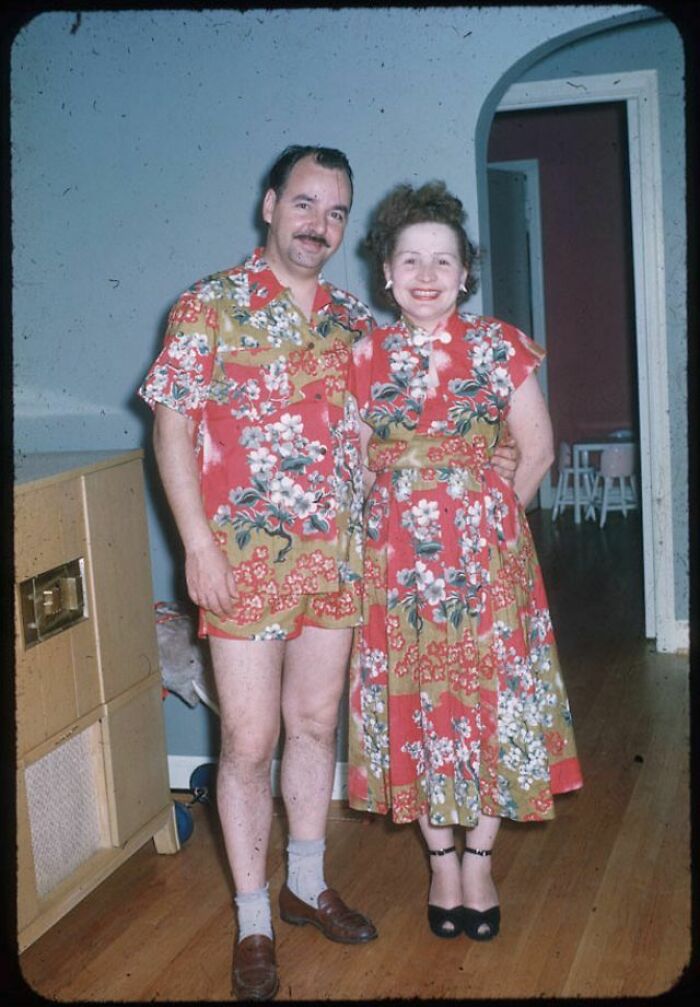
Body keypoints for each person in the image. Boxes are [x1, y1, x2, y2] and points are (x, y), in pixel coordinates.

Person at [139, 148, 517, 1000]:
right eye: (305, 203)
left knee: (314, 727)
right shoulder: (209, 305)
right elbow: (170, 426)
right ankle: (252, 918)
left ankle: (306, 884)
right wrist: (195, 543)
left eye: (336, 211)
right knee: (247, 739)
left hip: (343, 560)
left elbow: (413, 414)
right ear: (270, 204)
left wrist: (491, 445)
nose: (319, 223)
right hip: (241, 562)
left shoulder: (356, 322)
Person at [347, 181, 583, 943]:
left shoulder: (498, 345)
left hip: (486, 563)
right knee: (418, 709)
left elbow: (537, 447)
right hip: (397, 572)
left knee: (486, 706)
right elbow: (352, 469)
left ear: (465, 271)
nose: (425, 274)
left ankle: (478, 859)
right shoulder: (360, 357)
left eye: (442, 260)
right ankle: (439, 861)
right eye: (409, 258)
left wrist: (487, 524)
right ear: (386, 272)